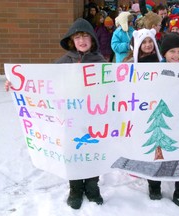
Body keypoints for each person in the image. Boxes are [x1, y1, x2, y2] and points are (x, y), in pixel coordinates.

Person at [54, 18, 107, 209]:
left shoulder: (101, 63)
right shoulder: (61, 63)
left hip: (94, 119)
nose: (82, 40)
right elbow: (43, 85)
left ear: (92, 39)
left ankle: (92, 187)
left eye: (85, 36)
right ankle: (75, 188)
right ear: (72, 40)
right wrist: (18, 85)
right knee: (73, 153)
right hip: (70, 119)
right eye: (77, 37)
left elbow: (114, 90)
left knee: (93, 151)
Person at [154, 33, 179, 208]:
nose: (176, 55)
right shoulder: (154, 71)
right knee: (158, 152)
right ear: (164, 53)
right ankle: (154, 185)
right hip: (161, 119)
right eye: (171, 52)